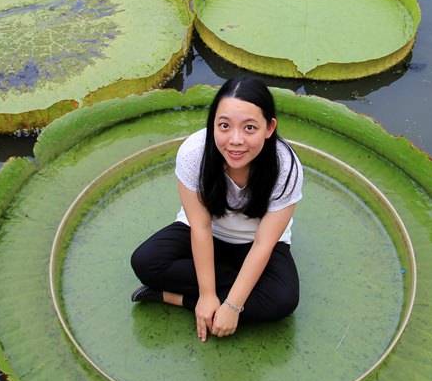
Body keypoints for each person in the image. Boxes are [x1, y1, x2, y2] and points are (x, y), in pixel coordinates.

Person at [129, 77, 303, 342]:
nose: (235, 141)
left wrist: (232, 307)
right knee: (145, 262)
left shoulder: (286, 166)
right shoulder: (193, 153)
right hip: (206, 233)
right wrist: (208, 294)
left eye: (249, 128)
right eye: (224, 126)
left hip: (254, 242)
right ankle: (220, 288)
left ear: (269, 128)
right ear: (212, 125)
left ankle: (175, 298)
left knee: (282, 300)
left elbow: (263, 245)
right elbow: (200, 227)